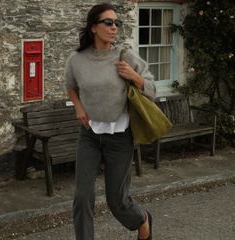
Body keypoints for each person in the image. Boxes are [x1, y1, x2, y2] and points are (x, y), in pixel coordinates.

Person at [65, 3, 155, 240]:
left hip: (120, 139)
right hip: (89, 136)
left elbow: (152, 89)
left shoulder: (125, 56)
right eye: (108, 22)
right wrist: (78, 107)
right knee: (82, 197)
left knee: (117, 201)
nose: (114, 27)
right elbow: (71, 87)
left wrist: (134, 76)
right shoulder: (76, 59)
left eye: (117, 23)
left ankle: (142, 219)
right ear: (94, 27)